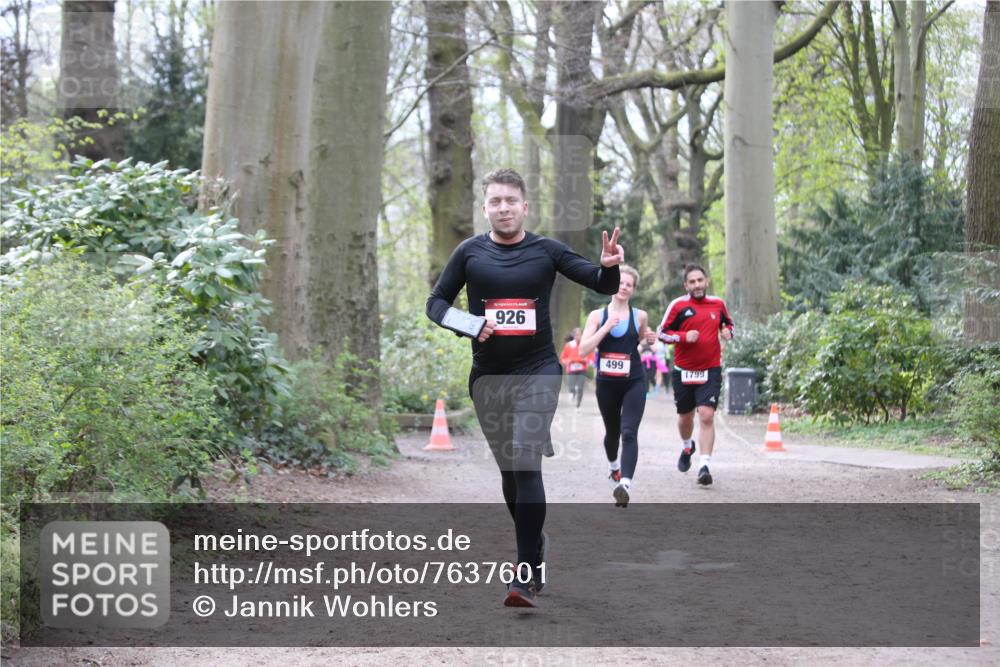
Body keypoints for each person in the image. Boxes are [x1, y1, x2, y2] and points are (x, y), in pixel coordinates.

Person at [426, 168, 624, 607]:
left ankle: (523, 574)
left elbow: (597, 281)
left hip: (538, 370)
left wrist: (610, 270)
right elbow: (435, 304)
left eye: (510, 201)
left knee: (525, 462)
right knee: (511, 477)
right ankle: (534, 545)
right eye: (494, 201)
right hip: (489, 378)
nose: (503, 208)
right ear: (485, 208)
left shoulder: (546, 250)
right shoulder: (468, 252)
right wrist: (470, 323)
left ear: (524, 206)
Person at [577, 265, 656, 508]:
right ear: (613, 285)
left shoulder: (639, 315)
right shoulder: (597, 316)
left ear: (633, 290)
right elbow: (583, 350)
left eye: (629, 284)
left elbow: (641, 339)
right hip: (607, 383)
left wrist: (648, 339)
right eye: (620, 282)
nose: (623, 287)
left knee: (629, 432)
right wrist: (606, 327)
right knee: (612, 433)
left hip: (633, 380)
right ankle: (614, 468)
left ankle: (625, 484)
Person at [656, 264, 734, 487]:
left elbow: (728, 324)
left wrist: (729, 333)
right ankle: (687, 446)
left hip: (710, 369)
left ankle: (704, 465)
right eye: (692, 282)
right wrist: (682, 337)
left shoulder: (718, 304)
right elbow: (662, 332)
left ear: (706, 281)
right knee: (685, 417)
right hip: (683, 371)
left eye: (700, 280)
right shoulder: (678, 305)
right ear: (686, 285)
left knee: (707, 416)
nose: (697, 285)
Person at [559, 328, 591, 408]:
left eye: (579, 334)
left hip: (582, 369)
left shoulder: (585, 344)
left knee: (580, 387)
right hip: (571, 369)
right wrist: (567, 361)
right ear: (573, 336)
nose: (578, 336)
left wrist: (587, 360)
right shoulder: (569, 345)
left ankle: (578, 404)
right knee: (571, 386)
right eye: (576, 335)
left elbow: (591, 357)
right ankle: (572, 393)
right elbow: (563, 357)